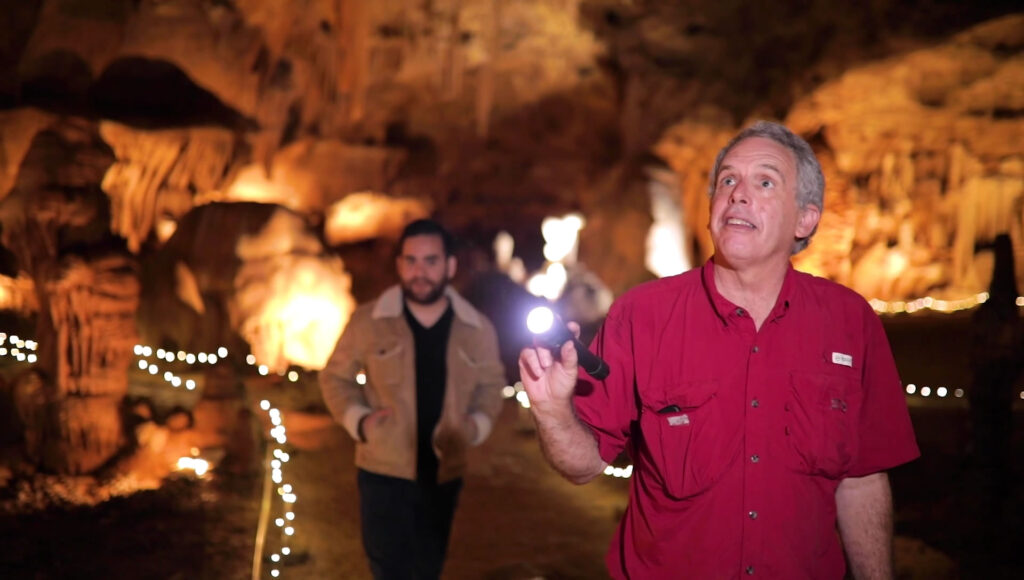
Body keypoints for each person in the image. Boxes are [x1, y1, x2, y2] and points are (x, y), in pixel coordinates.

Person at [519, 121, 920, 579]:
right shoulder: (642, 316)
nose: (738, 194)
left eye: (764, 181)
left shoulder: (849, 322)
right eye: (727, 180)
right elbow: (583, 464)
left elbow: (863, 477)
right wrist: (552, 410)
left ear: (806, 219)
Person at [320, 218, 506, 579]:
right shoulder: (369, 321)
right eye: (410, 260)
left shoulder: (477, 328)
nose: (419, 271)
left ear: (450, 265)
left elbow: (491, 383)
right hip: (383, 472)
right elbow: (334, 376)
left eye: (431, 261)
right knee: (388, 570)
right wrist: (358, 419)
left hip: (444, 473)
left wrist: (476, 425)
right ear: (399, 265)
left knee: (428, 569)